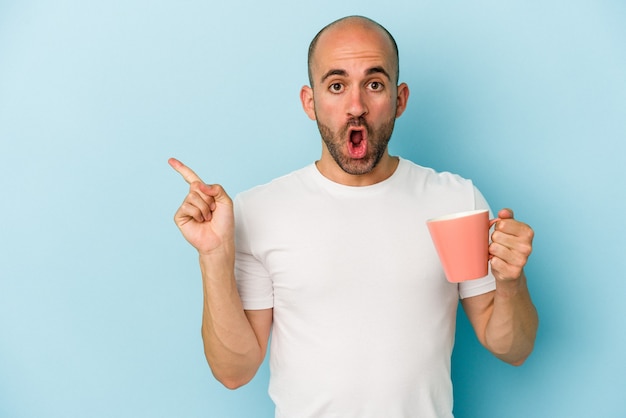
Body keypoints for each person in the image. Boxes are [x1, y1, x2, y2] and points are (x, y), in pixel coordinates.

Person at [169, 15, 538, 418]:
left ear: (400, 99)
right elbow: (234, 371)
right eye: (337, 85)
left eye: (374, 84)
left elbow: (513, 348)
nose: (356, 106)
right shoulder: (260, 211)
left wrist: (510, 283)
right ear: (310, 102)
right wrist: (213, 256)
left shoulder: (454, 200)